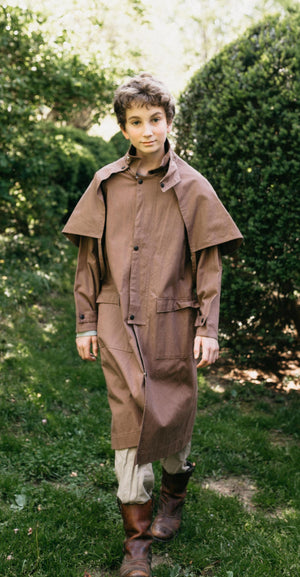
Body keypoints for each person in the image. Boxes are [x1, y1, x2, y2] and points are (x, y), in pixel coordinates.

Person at [62, 73, 242, 577]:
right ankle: (136, 544)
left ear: (169, 122)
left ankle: (173, 496)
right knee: (130, 420)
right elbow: (88, 259)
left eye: (155, 120)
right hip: (117, 319)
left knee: (170, 417)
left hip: (173, 322)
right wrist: (85, 321)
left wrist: (208, 327)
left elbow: (209, 263)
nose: (147, 131)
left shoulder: (192, 187)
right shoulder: (105, 183)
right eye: (136, 122)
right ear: (123, 127)